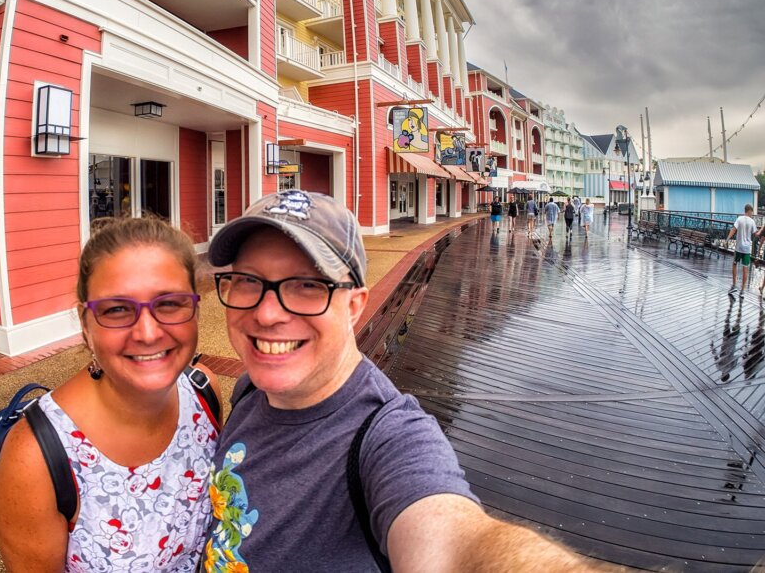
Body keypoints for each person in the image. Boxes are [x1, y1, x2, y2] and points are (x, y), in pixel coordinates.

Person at [202, 189, 616, 571]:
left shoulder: (387, 436)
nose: (268, 313)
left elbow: (455, 540)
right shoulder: (251, 389)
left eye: (307, 286)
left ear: (354, 305)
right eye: (248, 282)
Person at [0, 217, 220, 572]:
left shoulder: (205, 392)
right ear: (85, 324)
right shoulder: (35, 458)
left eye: (170, 303)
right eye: (116, 310)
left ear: (195, 310)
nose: (147, 332)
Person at [727, 204, 758, 294]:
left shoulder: (739, 219)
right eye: (752, 212)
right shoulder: (752, 221)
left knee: (734, 264)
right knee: (745, 269)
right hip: (747, 249)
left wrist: (727, 239)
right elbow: (756, 234)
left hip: (738, 248)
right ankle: (743, 290)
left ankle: (734, 285)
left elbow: (733, 230)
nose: (752, 214)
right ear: (750, 211)